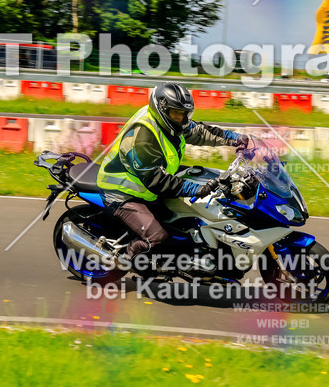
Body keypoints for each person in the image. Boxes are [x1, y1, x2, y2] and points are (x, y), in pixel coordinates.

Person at [96, 82, 249, 261]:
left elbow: (199, 132)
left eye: (185, 114)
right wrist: (195, 189)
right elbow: (156, 180)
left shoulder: (172, 122)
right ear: (162, 110)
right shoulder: (144, 136)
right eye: (177, 113)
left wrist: (234, 138)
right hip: (123, 194)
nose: (183, 119)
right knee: (157, 237)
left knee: (185, 222)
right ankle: (123, 260)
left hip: (149, 188)